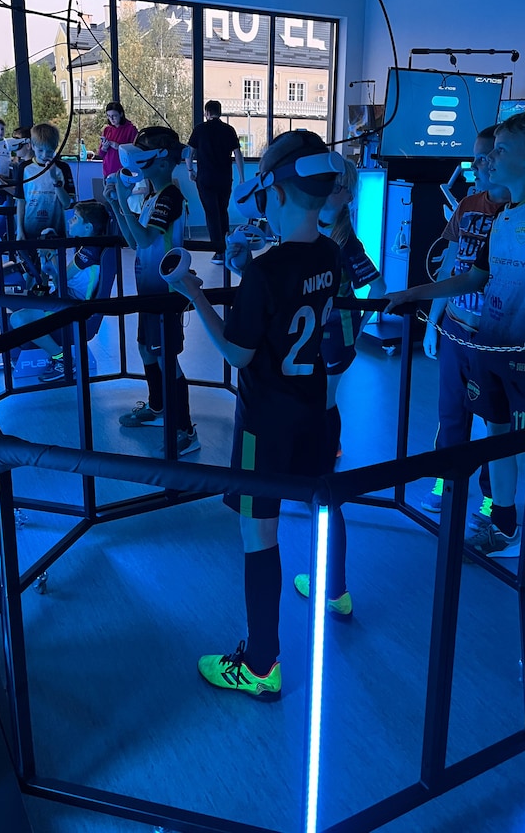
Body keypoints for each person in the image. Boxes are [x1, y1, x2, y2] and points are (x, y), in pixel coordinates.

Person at [385, 112, 525, 612]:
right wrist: (415, 293)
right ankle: (505, 524)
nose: (490, 158)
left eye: (501, 150)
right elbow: (473, 278)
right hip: (486, 353)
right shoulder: (501, 217)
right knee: (497, 443)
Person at [172, 130, 344, 700]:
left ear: (276, 192)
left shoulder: (267, 273)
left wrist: (194, 293)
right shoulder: (331, 253)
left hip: (264, 423)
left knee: (258, 533)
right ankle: (333, 589)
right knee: (320, 504)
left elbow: (238, 353)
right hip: (314, 410)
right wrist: (252, 270)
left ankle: (261, 663)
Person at [421, 125, 509, 517]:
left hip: (495, 337)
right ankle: (448, 476)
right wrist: (433, 322)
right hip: (456, 330)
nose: (476, 165)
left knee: (495, 419)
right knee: (451, 411)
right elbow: (449, 268)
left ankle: (493, 495)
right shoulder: (468, 206)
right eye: (474, 158)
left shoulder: (520, 213)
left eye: (483, 157)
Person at [104, 126, 199, 458]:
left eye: (143, 151)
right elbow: (135, 242)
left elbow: (145, 239)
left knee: (165, 358)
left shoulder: (171, 197)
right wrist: (116, 205)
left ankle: (186, 430)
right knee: (146, 348)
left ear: (161, 160)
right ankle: (158, 407)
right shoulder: (152, 197)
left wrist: (121, 194)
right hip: (148, 291)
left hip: (166, 293)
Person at [316, 156, 387, 459]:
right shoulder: (304, 226)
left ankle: (328, 452)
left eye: (337, 186)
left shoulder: (347, 244)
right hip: (308, 328)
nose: (328, 190)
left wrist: (358, 328)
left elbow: (379, 287)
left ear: (348, 195)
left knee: (324, 398)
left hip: (337, 331)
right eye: (326, 183)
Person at [9, 200, 109, 383]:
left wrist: (53, 254)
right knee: (14, 301)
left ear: (88, 227)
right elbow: (59, 280)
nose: (70, 221)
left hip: (73, 307)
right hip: (65, 298)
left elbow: (62, 278)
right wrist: (50, 260)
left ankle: (62, 359)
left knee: (18, 319)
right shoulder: (86, 246)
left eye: (75, 218)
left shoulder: (88, 252)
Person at [13, 123, 75, 290]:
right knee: (32, 274)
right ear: (32, 146)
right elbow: (21, 201)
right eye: (40, 150)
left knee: (57, 274)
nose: (44, 155)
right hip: (30, 229)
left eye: (49, 151)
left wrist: (55, 181)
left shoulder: (63, 168)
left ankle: (59, 302)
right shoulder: (24, 168)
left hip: (55, 230)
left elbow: (67, 203)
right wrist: (19, 230)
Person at [185, 99, 245, 264]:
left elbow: (189, 153)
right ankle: (226, 247)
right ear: (220, 112)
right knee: (222, 211)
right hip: (224, 178)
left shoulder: (200, 129)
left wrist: (190, 171)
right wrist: (242, 178)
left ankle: (218, 252)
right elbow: (238, 154)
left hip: (205, 178)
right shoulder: (229, 130)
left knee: (211, 214)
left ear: (207, 113)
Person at [98, 101, 138, 179]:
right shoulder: (107, 130)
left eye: (114, 116)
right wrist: (104, 147)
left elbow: (135, 153)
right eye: (109, 116)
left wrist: (119, 147)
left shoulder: (131, 129)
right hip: (108, 172)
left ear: (121, 114)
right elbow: (101, 154)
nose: (111, 119)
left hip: (124, 173)